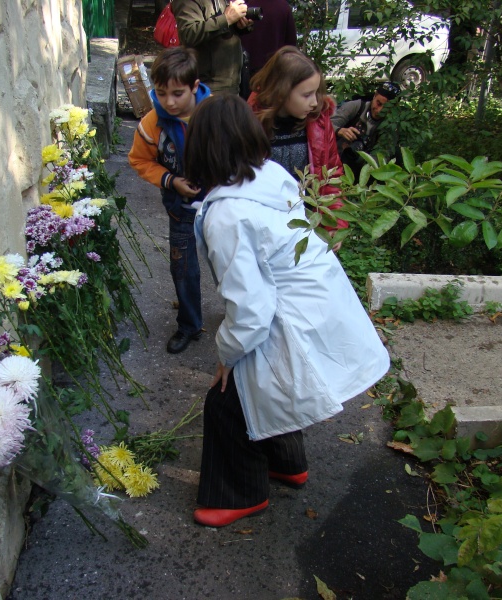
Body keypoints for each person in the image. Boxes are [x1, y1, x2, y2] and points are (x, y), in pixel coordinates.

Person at [184, 95, 390, 527]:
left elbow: (250, 310)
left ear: (202, 150)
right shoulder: (268, 175)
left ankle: (240, 494)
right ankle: (286, 462)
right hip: (317, 303)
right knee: (270, 388)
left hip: (287, 314)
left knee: (227, 400)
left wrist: (226, 355)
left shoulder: (227, 215)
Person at [128, 47, 211, 354]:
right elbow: (140, 161)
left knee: (229, 265)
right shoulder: (152, 123)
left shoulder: (215, 113)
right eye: (161, 94)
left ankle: (243, 319)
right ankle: (189, 325)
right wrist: (172, 180)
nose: (169, 102)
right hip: (181, 211)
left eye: (178, 93)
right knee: (184, 268)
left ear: (194, 85)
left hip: (221, 207)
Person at [247, 46, 348, 233]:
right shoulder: (251, 122)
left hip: (307, 224)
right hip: (265, 226)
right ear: (281, 91)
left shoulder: (319, 121)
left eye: (316, 92)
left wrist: (334, 222)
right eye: (306, 95)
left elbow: (332, 175)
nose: (314, 102)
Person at [172, 0, 253, 95]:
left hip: (232, 83)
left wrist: (240, 24)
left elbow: (222, 31)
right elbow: (188, 34)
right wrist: (226, 19)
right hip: (207, 87)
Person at [331, 81, 401, 176]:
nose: (379, 110)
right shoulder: (355, 107)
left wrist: (364, 162)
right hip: (334, 158)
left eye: (386, 108)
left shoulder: (390, 126)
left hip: (362, 170)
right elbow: (326, 125)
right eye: (378, 103)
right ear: (375, 95)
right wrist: (339, 130)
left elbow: (382, 158)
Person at [239, 0, 297, 93]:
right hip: (271, 74)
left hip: (248, 73)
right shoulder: (282, 5)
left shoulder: (235, 6)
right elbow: (291, 48)